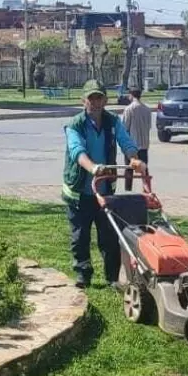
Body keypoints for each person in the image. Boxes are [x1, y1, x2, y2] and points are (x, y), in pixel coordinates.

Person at [62, 79, 145, 289]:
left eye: (99, 98)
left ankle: (112, 278)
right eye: (92, 98)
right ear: (84, 101)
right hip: (79, 192)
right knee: (80, 236)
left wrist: (133, 158)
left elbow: (126, 141)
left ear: (105, 100)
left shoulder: (112, 121)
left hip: (104, 191)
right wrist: (93, 168)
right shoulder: (75, 125)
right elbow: (76, 151)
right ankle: (83, 275)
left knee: (109, 237)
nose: (96, 103)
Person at [120, 86, 152, 191]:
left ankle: (128, 190)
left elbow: (124, 127)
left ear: (131, 95)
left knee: (129, 168)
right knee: (144, 169)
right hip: (144, 144)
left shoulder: (129, 109)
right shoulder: (147, 109)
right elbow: (149, 126)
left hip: (132, 145)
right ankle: (147, 190)